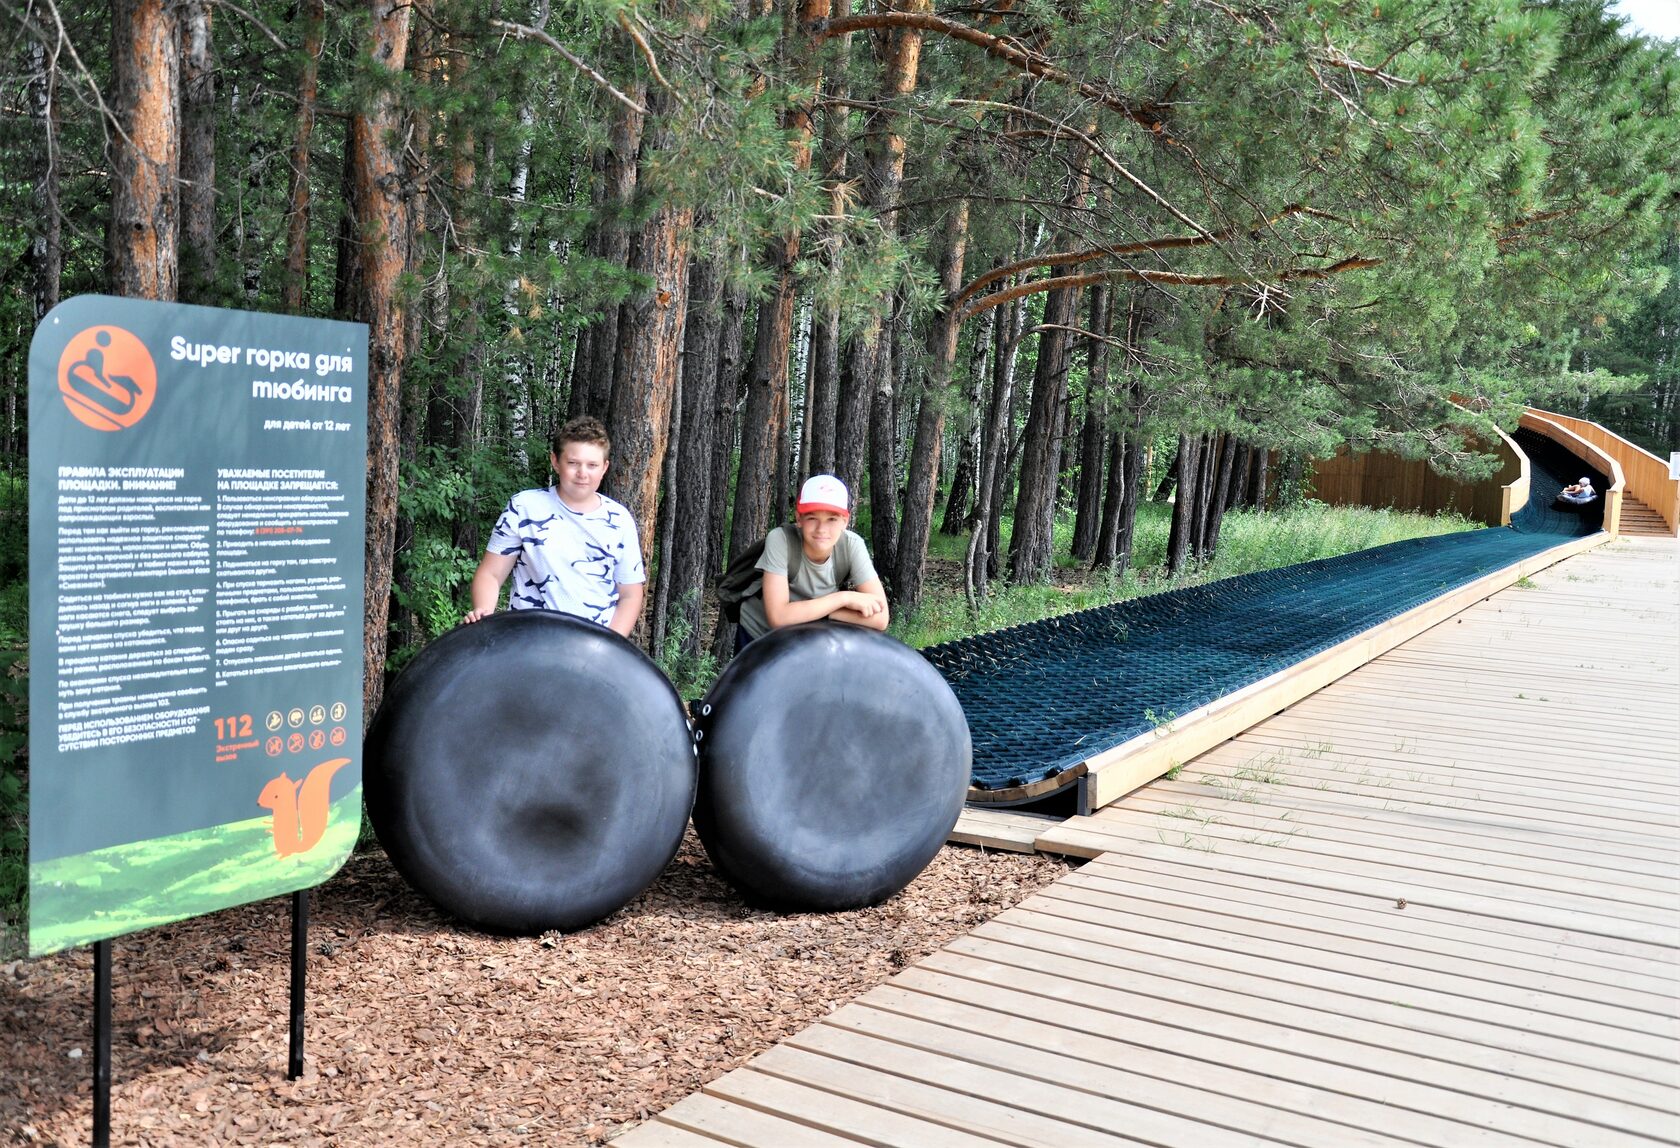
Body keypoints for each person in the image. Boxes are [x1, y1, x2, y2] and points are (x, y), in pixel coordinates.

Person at [463, 416, 645, 637]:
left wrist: (611, 643)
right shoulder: (524, 507)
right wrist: (484, 612)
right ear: (555, 462)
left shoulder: (619, 519)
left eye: (592, 465)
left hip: (593, 649)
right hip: (528, 641)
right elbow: (491, 573)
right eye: (573, 463)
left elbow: (630, 595)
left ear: (604, 467)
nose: (582, 473)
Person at [735, 474, 889, 652]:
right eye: (812, 518)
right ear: (799, 518)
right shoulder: (780, 539)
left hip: (809, 634)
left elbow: (881, 618)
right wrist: (844, 598)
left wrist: (823, 612)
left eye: (832, 519)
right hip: (760, 633)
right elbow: (778, 617)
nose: (821, 529)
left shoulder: (852, 545)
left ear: (844, 521)